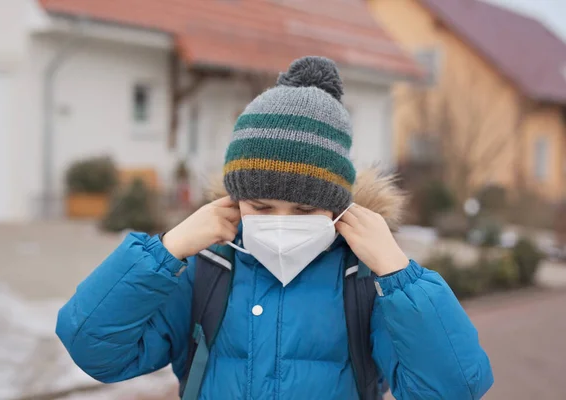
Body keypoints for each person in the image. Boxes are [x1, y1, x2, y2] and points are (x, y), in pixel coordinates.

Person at [56, 56, 493, 399]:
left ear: (338, 208)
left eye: (304, 210)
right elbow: (94, 350)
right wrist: (165, 251)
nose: (281, 223)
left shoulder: (363, 283)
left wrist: (399, 274)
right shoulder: (206, 271)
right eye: (261, 206)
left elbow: (452, 388)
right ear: (234, 201)